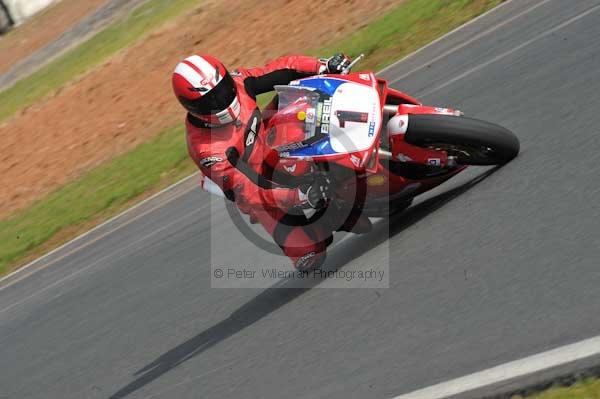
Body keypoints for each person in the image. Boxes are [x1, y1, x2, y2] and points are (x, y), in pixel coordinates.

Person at [172, 54, 371, 270]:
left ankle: (351, 156)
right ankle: (332, 216)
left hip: (272, 141)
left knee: (307, 95)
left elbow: (282, 69)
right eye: (210, 101)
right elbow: (249, 192)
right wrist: (297, 196)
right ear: (191, 107)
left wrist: (322, 66)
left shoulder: (240, 83)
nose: (221, 100)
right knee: (310, 255)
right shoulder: (207, 150)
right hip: (263, 188)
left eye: (222, 89)